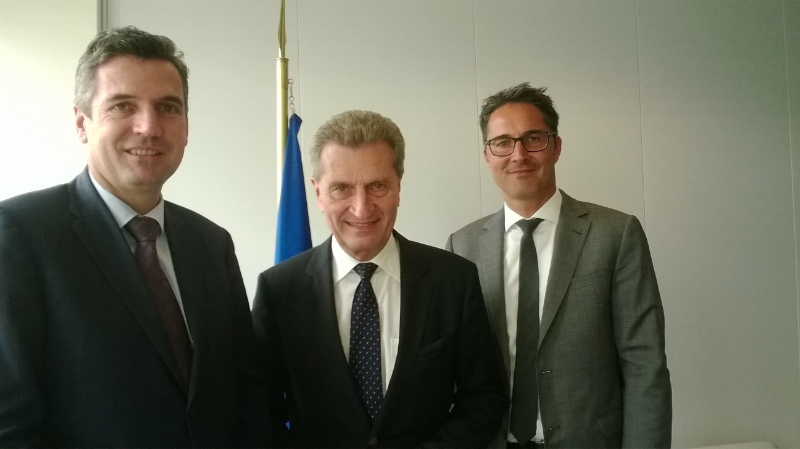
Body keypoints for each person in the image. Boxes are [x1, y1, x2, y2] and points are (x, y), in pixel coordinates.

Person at [0, 26, 268, 448]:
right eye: (123, 106)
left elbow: (247, 392)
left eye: (168, 107)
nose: (149, 127)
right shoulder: (19, 234)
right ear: (82, 123)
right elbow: (10, 421)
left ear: (186, 126)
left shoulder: (212, 243)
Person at [252, 110, 507, 448]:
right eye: (342, 188)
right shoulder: (280, 290)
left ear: (398, 187)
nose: (362, 208)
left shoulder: (453, 280)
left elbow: (484, 397)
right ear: (318, 193)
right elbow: (256, 410)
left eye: (377, 186)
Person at [446, 83, 672, 449]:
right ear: (487, 155)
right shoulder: (463, 246)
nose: (518, 154)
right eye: (502, 142)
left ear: (556, 146)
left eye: (533, 138)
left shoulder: (615, 234)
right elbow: (452, 369)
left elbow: (644, 363)